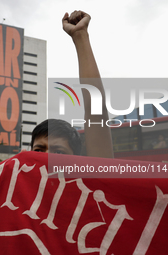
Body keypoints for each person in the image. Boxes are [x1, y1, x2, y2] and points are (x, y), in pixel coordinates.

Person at [31, 11, 114, 158]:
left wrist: (80, 35)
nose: (46, 157)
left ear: (76, 158)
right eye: (38, 150)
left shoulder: (89, 179)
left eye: (58, 152)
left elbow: (96, 108)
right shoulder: (17, 179)